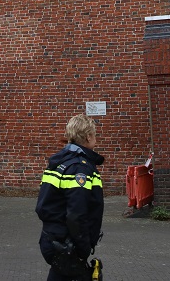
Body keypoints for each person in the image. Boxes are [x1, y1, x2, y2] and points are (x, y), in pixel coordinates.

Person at [36, 114, 105, 281]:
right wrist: (83, 248)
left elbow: (43, 206)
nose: (96, 139)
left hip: (53, 239)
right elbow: (77, 214)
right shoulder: (79, 168)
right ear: (88, 136)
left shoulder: (60, 162)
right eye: (94, 135)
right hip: (68, 244)